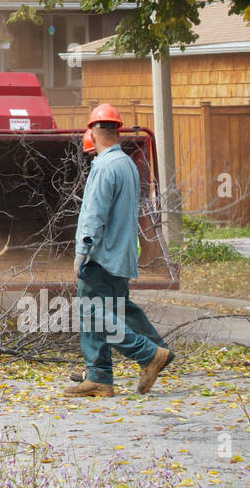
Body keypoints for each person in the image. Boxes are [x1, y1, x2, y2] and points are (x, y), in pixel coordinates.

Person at [64, 103, 173, 397]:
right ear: (117, 129)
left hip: (102, 255)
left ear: (93, 131)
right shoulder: (126, 164)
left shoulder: (104, 166)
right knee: (117, 310)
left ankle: (147, 353)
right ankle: (101, 377)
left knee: (91, 311)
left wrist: (82, 250)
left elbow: (93, 214)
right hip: (122, 254)